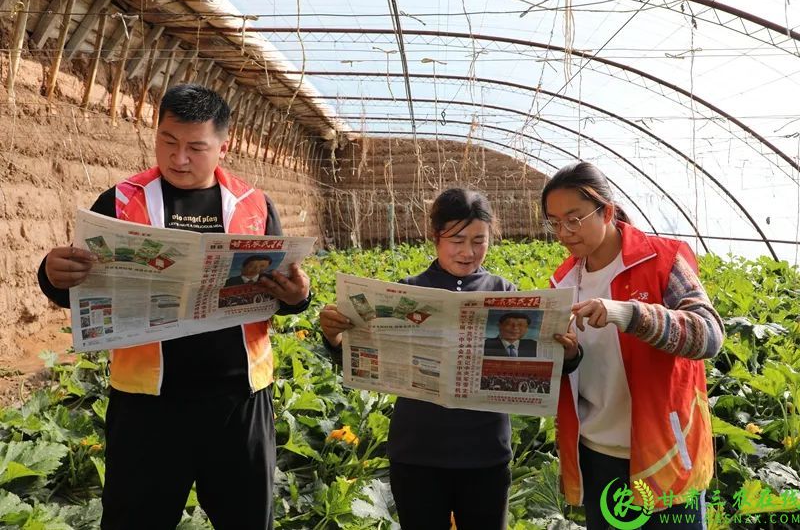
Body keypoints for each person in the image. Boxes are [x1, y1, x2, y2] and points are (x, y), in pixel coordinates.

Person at [37, 84, 311, 530]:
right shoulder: (122, 202)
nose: (178, 158)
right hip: (148, 404)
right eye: (167, 141)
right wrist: (51, 275)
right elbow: (76, 287)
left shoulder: (254, 206)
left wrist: (298, 297)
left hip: (239, 401)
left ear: (224, 145)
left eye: (195, 147)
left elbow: (283, 298)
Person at [320, 188, 545, 530]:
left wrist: (562, 350)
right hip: (417, 453)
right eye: (456, 240)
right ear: (434, 236)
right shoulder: (407, 292)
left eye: (479, 240)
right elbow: (364, 360)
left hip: (485, 453)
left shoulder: (505, 294)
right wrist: (335, 337)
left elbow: (535, 368)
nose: (469, 252)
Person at [542, 162, 724, 529]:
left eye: (574, 219)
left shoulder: (663, 260)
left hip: (666, 451)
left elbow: (708, 335)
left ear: (607, 211)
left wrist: (628, 314)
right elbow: (573, 370)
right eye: (555, 222)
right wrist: (569, 356)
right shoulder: (561, 283)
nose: (564, 232)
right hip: (597, 456)